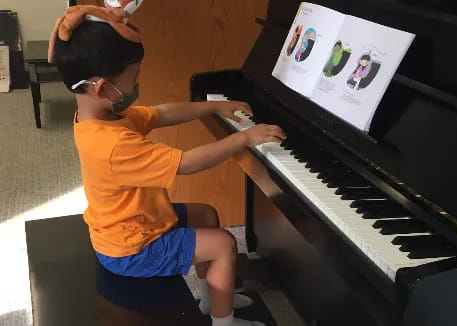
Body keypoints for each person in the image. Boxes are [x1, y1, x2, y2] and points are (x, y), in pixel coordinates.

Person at [49, 2, 286, 326]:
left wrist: (213, 108)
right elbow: (187, 163)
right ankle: (223, 321)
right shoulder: (113, 144)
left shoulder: (104, 117)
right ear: (103, 87)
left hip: (132, 221)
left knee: (206, 214)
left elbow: (161, 113)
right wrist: (245, 139)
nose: (136, 86)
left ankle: (210, 298)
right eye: (134, 78)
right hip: (132, 248)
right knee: (225, 244)